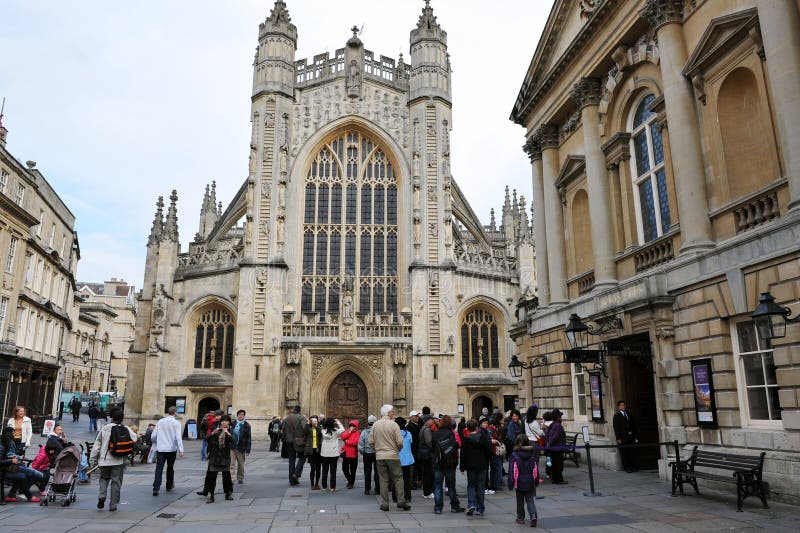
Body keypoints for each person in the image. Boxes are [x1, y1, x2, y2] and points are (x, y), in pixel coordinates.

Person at [89, 408, 136, 512]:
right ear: (122, 418)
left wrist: (92, 460)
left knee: (104, 479)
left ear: (112, 418)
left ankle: (102, 496)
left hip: (105, 460)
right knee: (116, 482)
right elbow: (134, 439)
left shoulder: (105, 428)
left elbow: (97, 445)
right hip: (118, 460)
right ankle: (113, 505)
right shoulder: (126, 428)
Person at [368, 404, 409, 511]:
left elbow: (370, 441)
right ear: (388, 413)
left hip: (380, 456)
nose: (393, 413)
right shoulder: (394, 425)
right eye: (392, 412)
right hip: (393, 455)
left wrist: (376, 450)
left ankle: (385, 504)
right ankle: (401, 500)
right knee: (398, 478)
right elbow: (400, 442)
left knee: (383, 480)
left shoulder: (375, 425)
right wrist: (397, 449)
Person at [431, 415, 464, 515]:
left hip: (438, 463)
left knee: (437, 486)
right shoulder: (450, 433)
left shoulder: (435, 434)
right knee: (451, 485)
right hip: (449, 463)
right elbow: (455, 445)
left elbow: (432, 447)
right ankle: (454, 506)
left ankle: (438, 508)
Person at [197, 414, 234, 503]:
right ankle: (211, 495)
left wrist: (227, 432)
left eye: (226, 421)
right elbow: (206, 438)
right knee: (212, 477)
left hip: (224, 457)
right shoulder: (216, 430)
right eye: (222, 421)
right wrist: (213, 433)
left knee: (226, 477)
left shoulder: (230, 431)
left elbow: (234, 441)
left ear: (229, 422)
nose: (224, 422)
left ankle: (228, 493)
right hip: (215, 457)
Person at [1, 426, 42, 502]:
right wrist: (11, 461)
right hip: (3, 470)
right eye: (12, 434)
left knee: (22, 475)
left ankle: (11, 495)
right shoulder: (2, 446)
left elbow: (7, 455)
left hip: (6, 467)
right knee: (23, 476)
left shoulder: (6, 443)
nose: (13, 436)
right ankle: (29, 497)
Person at [151, 406, 185, 496]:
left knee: (159, 468)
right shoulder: (176, 423)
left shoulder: (160, 422)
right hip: (171, 449)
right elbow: (178, 437)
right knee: (170, 467)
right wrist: (181, 450)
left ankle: (156, 487)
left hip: (161, 449)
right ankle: (169, 485)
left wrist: (156, 443)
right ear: (175, 413)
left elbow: (153, 436)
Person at [461, 418, 491, 516]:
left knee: (471, 485)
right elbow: (488, 451)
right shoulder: (483, 437)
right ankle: (480, 508)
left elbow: (463, 454)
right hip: (482, 464)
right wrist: (488, 461)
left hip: (470, 465)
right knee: (480, 486)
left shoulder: (466, 439)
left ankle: (471, 504)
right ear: (477, 427)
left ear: (468, 428)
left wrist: (462, 466)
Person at [508, 434, 539, 527]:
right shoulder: (532, 454)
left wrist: (511, 482)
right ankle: (533, 515)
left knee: (520, 501)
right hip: (530, 481)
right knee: (530, 500)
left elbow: (512, 470)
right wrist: (536, 480)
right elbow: (535, 469)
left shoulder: (514, 454)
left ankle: (520, 518)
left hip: (519, 482)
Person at [282, 405, 307, 486]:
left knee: (291, 461)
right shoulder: (302, 418)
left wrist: (287, 437)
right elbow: (304, 429)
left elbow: (283, 429)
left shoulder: (287, 418)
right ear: (299, 410)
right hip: (299, 442)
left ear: (294, 410)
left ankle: (292, 480)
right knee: (302, 457)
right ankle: (296, 474)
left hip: (289, 441)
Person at [319, 417, 345, 492]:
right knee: (333, 471)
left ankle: (324, 487)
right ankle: (332, 487)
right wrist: (338, 422)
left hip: (324, 453)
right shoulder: (336, 431)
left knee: (324, 470)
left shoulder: (323, 431)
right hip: (334, 454)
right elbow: (343, 429)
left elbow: (324, 430)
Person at [357, 415, 379, 495]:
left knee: (367, 472)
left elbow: (360, 444)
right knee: (377, 472)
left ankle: (367, 489)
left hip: (367, 454)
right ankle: (377, 489)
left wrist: (363, 451)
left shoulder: (364, 432)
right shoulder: (378, 431)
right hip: (376, 453)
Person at [613, 400, 638, 473]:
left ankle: (633, 466)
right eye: (621, 405)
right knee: (625, 453)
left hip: (631, 437)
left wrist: (635, 437)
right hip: (623, 438)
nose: (623, 406)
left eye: (624, 405)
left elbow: (634, 426)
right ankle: (627, 467)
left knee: (632, 452)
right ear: (619, 407)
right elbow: (616, 428)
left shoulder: (629, 414)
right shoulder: (617, 415)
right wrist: (618, 438)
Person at [394, 416, 414, 504]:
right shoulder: (408, 433)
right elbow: (411, 442)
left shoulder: (395, 434)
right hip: (407, 459)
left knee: (396, 479)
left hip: (397, 458)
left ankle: (395, 496)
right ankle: (408, 496)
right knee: (406, 479)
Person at [545, 409, 566, 484]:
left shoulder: (552, 424)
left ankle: (555, 479)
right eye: (560, 416)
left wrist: (547, 443)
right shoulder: (557, 425)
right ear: (557, 417)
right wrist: (549, 444)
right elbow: (554, 437)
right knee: (558, 465)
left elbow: (547, 435)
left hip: (553, 448)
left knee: (554, 464)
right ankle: (558, 479)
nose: (561, 417)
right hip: (557, 448)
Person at [230, 410, 251, 484]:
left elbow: (248, 438)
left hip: (241, 447)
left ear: (244, 416)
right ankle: (231, 478)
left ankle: (240, 478)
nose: (241, 416)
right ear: (237, 415)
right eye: (239, 414)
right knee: (231, 464)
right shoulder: (232, 423)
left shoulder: (246, 425)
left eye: (242, 414)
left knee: (241, 464)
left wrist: (248, 450)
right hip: (232, 447)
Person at [303, 416, 322, 489]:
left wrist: (317, 426)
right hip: (311, 451)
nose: (314, 422)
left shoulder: (319, 428)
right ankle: (312, 484)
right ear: (311, 421)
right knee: (313, 468)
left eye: (315, 421)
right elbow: (304, 432)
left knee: (318, 468)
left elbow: (321, 434)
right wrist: (307, 423)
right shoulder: (309, 428)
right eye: (313, 421)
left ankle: (317, 483)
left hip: (318, 451)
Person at [340, 420, 360, 489]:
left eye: (353, 426)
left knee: (353, 470)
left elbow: (355, 442)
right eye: (351, 425)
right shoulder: (347, 432)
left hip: (353, 454)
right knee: (344, 468)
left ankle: (351, 483)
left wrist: (347, 442)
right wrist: (349, 432)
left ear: (356, 427)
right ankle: (350, 480)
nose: (352, 427)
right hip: (346, 453)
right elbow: (342, 437)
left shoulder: (357, 433)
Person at [418, 417, 435, 499]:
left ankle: (426, 492)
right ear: (427, 421)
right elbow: (429, 442)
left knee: (426, 473)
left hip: (423, 454)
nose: (433, 421)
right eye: (432, 420)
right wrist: (434, 448)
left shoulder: (422, 428)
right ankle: (428, 492)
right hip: (427, 454)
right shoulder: (427, 430)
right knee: (428, 473)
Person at [406, 410, 421, 488]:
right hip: (413, 450)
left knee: (416, 467)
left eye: (418, 416)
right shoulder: (409, 426)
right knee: (413, 467)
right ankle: (412, 483)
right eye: (416, 416)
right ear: (411, 418)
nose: (417, 417)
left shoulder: (416, 425)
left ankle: (415, 482)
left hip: (416, 449)